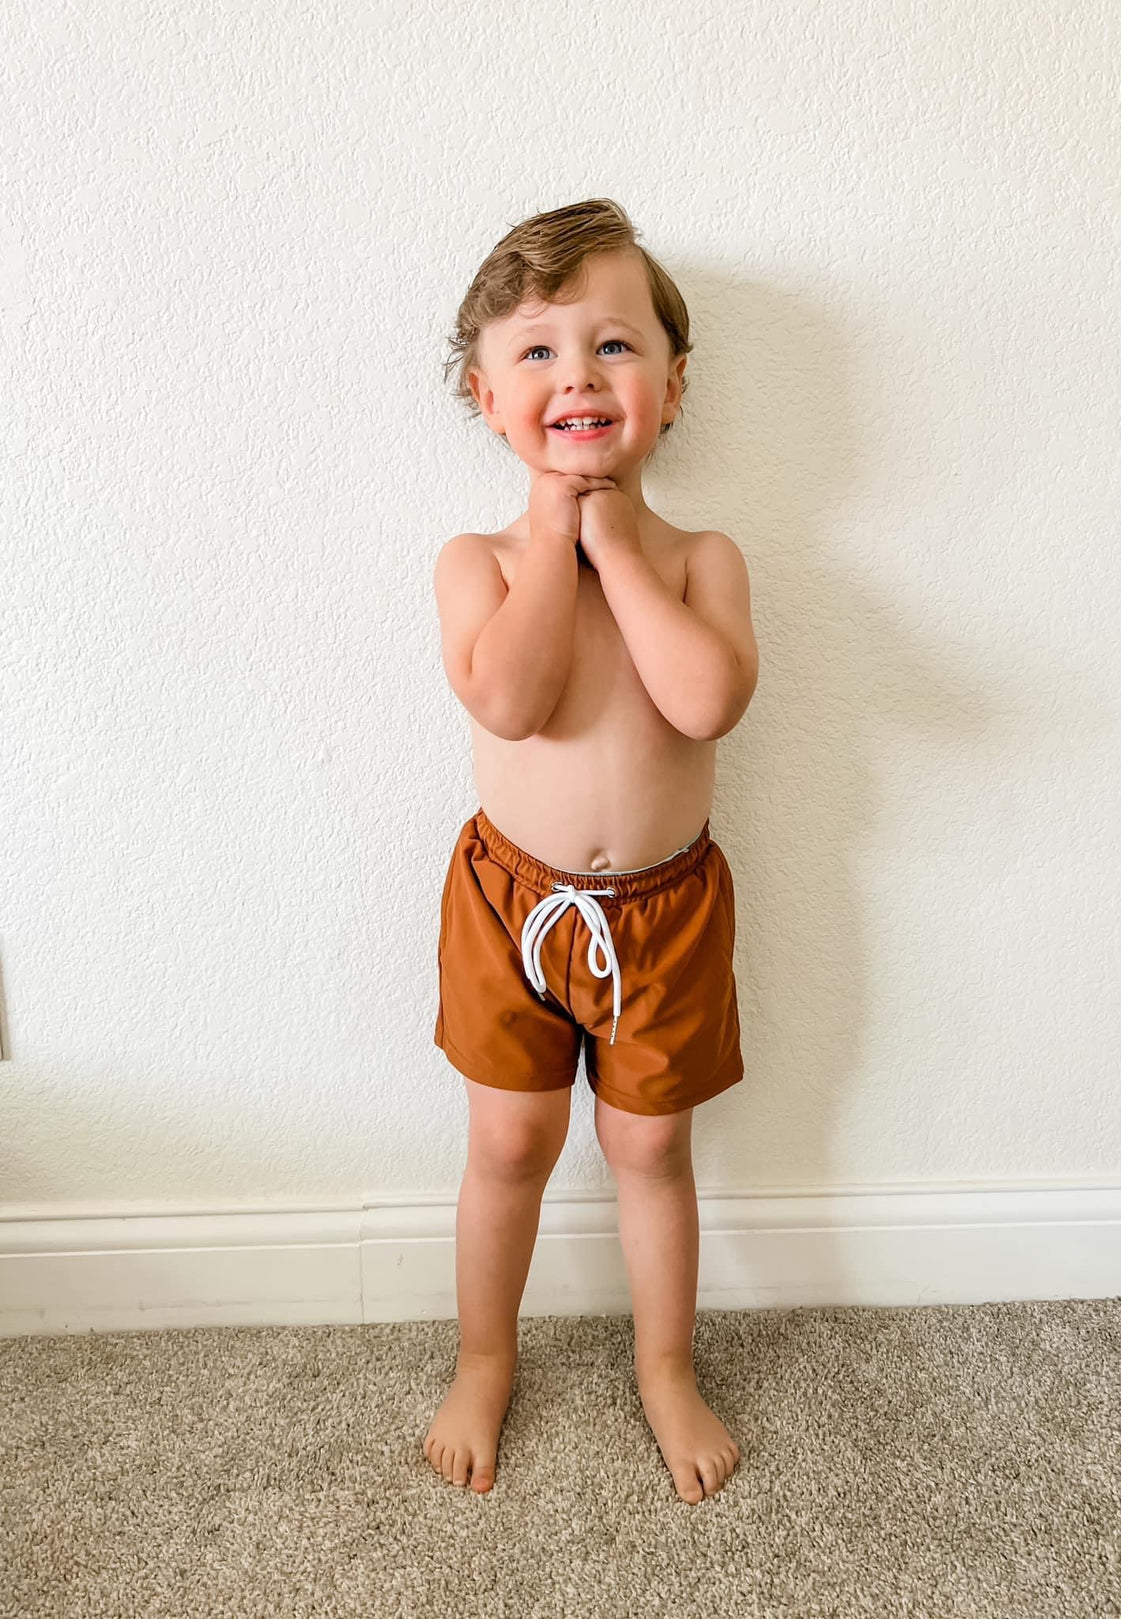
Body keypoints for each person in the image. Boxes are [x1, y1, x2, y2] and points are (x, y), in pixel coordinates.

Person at [424, 198, 759, 1504]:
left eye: (614, 348)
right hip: (512, 905)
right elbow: (507, 700)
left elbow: (705, 702)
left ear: (672, 389)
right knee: (506, 1147)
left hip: (665, 914)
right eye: (539, 352)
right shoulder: (478, 563)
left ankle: (666, 1365)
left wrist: (615, 540)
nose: (578, 377)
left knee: (649, 1153)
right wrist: (557, 546)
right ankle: (481, 1356)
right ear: (487, 394)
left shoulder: (696, 559)